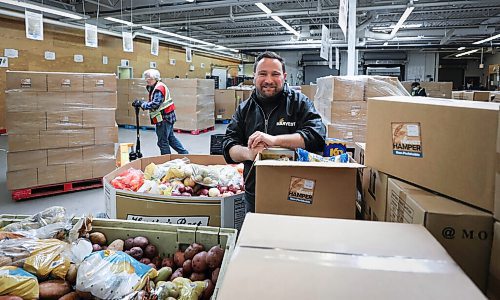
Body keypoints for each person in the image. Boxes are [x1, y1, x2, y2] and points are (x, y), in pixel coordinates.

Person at [222, 51, 326, 213]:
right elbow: (228, 147)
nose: (268, 80)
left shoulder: (299, 103)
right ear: (254, 76)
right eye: (263, 74)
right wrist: (249, 154)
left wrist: (274, 140)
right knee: (257, 237)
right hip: (255, 191)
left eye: (275, 74)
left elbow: (317, 136)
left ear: (284, 76)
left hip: (297, 191)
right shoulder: (244, 109)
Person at [132, 69, 188, 155]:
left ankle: (167, 162)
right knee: (170, 138)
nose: (147, 80)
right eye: (146, 78)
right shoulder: (157, 86)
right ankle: (185, 154)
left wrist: (142, 104)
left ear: (155, 78)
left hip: (164, 118)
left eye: (149, 78)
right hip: (168, 117)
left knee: (163, 142)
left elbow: (155, 104)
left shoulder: (158, 89)